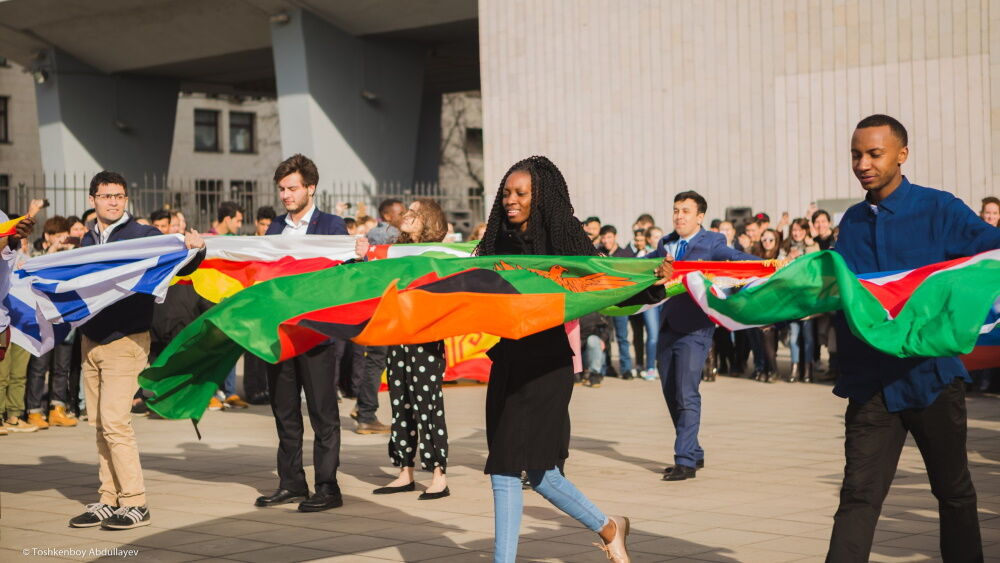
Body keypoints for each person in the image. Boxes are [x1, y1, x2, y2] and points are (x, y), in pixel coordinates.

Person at [826, 114, 1000, 562]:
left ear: (902, 155)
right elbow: (831, 284)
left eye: (874, 153)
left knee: (954, 491)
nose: (863, 163)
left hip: (932, 379)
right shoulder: (853, 221)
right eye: (856, 154)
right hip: (871, 386)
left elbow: (990, 250)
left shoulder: (939, 209)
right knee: (858, 497)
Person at [474, 156, 632, 563]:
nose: (511, 200)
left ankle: (610, 527)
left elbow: (608, 281)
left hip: (547, 367)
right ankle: (610, 529)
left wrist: (655, 281)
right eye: (506, 192)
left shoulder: (563, 240)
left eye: (521, 193)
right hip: (508, 363)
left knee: (542, 474)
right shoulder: (495, 244)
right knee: (506, 465)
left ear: (540, 198)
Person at [68, 171, 205, 531]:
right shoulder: (88, 240)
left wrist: (196, 251)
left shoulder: (142, 235)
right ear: (92, 200)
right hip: (91, 341)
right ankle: (108, 499)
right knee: (99, 424)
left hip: (126, 341)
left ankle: (135, 502)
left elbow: (175, 264)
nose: (113, 201)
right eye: (106, 195)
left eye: (119, 196)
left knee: (116, 423)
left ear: (126, 200)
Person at [256, 154, 348, 513]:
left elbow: (347, 277)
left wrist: (357, 256)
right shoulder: (275, 227)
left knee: (323, 414)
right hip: (281, 333)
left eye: (292, 188)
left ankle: (328, 486)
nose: (285, 195)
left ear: (311, 188)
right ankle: (291, 482)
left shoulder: (331, 226)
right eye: (281, 189)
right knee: (285, 412)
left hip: (317, 335)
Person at [647, 191, 756, 482]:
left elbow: (734, 259)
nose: (678, 215)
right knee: (671, 393)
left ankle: (685, 461)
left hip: (696, 330)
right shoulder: (665, 243)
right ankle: (693, 451)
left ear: (699, 217)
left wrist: (768, 265)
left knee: (686, 392)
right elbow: (643, 267)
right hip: (668, 327)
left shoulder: (712, 242)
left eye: (685, 211)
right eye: (675, 210)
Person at [358, 199, 451, 499]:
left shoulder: (438, 253)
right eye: (407, 212)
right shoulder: (394, 250)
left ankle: (438, 473)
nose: (407, 216)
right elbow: (377, 282)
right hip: (398, 336)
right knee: (401, 404)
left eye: (415, 212)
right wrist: (365, 258)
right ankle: (404, 471)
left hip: (426, 337)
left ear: (430, 220)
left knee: (428, 405)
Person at [25, 216, 78, 429]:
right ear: (47, 236)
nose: (61, 239)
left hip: (65, 321)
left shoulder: (71, 256)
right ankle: (34, 410)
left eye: (64, 235)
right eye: (57, 235)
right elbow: (35, 274)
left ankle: (57, 408)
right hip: (42, 323)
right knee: (39, 367)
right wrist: (53, 251)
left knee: (61, 368)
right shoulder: (38, 254)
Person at [780, 219, 820, 383]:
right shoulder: (785, 246)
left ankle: (808, 369)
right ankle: (795, 368)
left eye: (800, 230)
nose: (796, 233)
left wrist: (810, 245)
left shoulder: (812, 246)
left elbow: (816, 266)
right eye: (794, 230)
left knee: (808, 335)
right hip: (792, 298)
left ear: (805, 231)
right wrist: (789, 256)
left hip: (808, 298)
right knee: (794, 335)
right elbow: (779, 267)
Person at [598, 225, 635, 380]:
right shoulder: (598, 253)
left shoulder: (626, 253)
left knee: (622, 336)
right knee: (604, 335)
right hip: (604, 301)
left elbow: (631, 274)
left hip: (621, 301)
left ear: (615, 237)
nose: (606, 241)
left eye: (609, 237)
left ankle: (626, 369)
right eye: (604, 237)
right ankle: (606, 368)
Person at [746, 229, 781, 383]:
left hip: (775, 305)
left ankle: (773, 369)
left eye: (771, 240)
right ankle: (762, 368)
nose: (767, 242)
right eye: (764, 239)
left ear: (776, 241)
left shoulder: (781, 258)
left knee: (768, 335)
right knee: (756, 337)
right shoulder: (755, 258)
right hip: (757, 304)